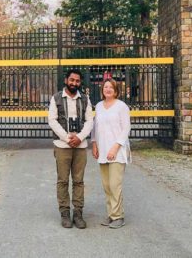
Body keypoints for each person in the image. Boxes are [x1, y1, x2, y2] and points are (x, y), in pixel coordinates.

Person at [48, 69, 93, 229]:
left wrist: (79, 137)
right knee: (63, 180)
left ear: (80, 83)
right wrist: (68, 138)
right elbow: (52, 121)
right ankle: (65, 213)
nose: (74, 83)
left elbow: (89, 121)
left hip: (80, 146)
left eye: (77, 81)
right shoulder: (56, 98)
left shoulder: (85, 99)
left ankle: (78, 213)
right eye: (72, 80)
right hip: (62, 145)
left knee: (79, 181)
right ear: (66, 80)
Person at [91, 78, 131, 229]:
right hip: (102, 150)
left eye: (111, 87)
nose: (107, 89)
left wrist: (115, 148)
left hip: (117, 151)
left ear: (116, 90)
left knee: (115, 184)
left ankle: (118, 216)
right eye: (105, 87)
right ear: (102, 89)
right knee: (106, 185)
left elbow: (126, 129)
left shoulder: (122, 106)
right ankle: (111, 214)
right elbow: (95, 127)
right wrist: (94, 144)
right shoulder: (99, 106)